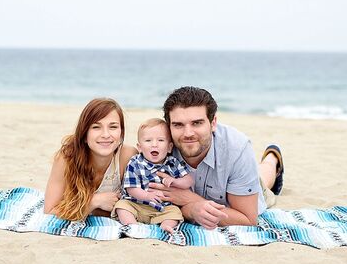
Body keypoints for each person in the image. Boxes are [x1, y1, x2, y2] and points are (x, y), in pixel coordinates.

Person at [147, 86, 284, 230]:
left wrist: (190, 201)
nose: (188, 133)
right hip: (226, 195)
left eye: (197, 123)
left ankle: (272, 158)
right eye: (178, 125)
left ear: (213, 123)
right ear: (169, 127)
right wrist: (191, 209)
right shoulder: (157, 147)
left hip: (243, 191)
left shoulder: (237, 148)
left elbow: (248, 220)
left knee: (263, 181)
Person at [44, 98, 138, 221]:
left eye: (113, 127)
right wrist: (94, 201)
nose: (105, 134)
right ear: (84, 134)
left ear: (121, 134)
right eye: (96, 127)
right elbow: (49, 211)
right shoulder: (67, 158)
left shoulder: (128, 156)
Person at [111, 118, 193, 233]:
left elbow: (189, 180)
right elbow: (131, 188)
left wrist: (175, 182)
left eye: (160, 140)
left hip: (163, 207)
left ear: (169, 147)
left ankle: (166, 226)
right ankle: (132, 225)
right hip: (137, 204)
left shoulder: (173, 163)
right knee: (122, 206)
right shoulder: (135, 162)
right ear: (139, 147)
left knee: (175, 212)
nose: (154, 145)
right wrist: (146, 196)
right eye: (148, 140)